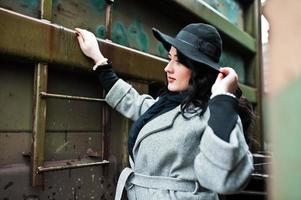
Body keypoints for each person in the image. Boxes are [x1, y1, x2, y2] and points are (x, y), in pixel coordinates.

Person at [75, 23, 254, 200]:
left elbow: (226, 177)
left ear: (198, 69)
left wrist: (222, 97)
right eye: (170, 58)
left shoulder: (213, 114)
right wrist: (98, 59)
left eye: (178, 61)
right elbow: (137, 104)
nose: (168, 68)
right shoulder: (171, 103)